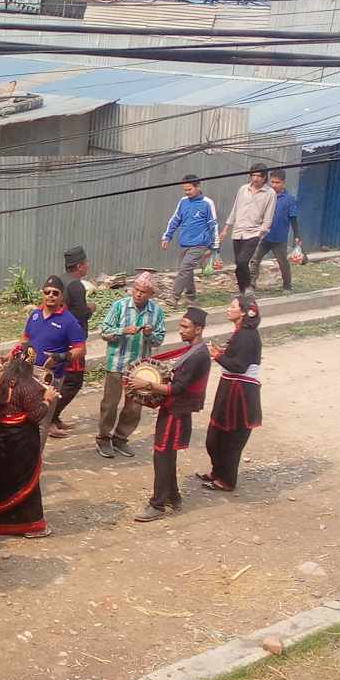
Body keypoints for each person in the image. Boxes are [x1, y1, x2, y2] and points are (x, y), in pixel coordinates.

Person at [131, 307, 213, 522]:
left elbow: (176, 389)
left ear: (198, 329)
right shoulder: (195, 351)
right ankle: (173, 497)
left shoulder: (197, 356)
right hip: (174, 410)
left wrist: (147, 384)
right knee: (167, 454)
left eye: (185, 327)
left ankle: (157, 505)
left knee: (162, 454)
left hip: (176, 412)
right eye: (181, 326)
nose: (180, 330)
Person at [0, 345, 58, 538]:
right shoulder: (28, 385)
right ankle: (29, 525)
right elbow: (35, 416)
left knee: (1, 478)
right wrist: (47, 400)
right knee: (24, 482)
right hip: (20, 440)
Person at [95, 273, 166, 460]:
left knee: (134, 406)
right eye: (137, 290)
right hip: (117, 363)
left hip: (140, 368)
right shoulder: (119, 306)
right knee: (110, 404)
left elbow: (159, 340)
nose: (139, 294)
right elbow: (104, 331)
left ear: (151, 294)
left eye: (144, 292)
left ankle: (120, 438)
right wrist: (122, 331)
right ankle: (103, 437)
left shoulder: (156, 312)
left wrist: (150, 334)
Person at [200, 296, 263, 492]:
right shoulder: (240, 333)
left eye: (232, 306)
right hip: (230, 389)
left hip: (240, 394)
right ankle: (217, 472)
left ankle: (227, 480)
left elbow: (239, 366)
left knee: (231, 438)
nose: (228, 309)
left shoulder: (247, 336)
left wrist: (216, 355)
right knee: (215, 436)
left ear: (243, 312)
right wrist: (221, 353)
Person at [22, 275, 88, 438]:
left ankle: (36, 460)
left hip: (51, 378)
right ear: (43, 294)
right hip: (28, 373)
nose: (50, 295)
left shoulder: (69, 321)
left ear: (61, 297)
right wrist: (13, 354)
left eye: (55, 293)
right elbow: (24, 339)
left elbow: (81, 350)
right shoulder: (35, 315)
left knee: (43, 422)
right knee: (25, 418)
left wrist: (60, 357)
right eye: (47, 292)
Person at [160, 175, 220, 309]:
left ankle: (174, 298)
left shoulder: (207, 203)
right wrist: (167, 236)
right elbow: (175, 219)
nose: (187, 192)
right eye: (185, 190)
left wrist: (214, 246)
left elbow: (213, 224)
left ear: (198, 187)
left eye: (189, 189)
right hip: (185, 243)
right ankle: (191, 298)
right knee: (187, 272)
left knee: (184, 269)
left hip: (200, 244)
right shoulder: (183, 202)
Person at [219, 163, 277, 294]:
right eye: (253, 175)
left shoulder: (270, 193)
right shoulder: (243, 189)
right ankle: (242, 290)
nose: (255, 179)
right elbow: (235, 209)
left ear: (264, 177)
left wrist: (261, 231)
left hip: (254, 232)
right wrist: (226, 229)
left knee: (243, 260)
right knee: (238, 264)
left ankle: (247, 287)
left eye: (259, 176)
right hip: (238, 232)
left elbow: (269, 215)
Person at [249, 170, 302, 293]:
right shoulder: (265, 195)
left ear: (283, 183)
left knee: (282, 262)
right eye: (272, 182)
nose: (274, 185)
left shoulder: (289, 199)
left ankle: (287, 285)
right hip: (264, 237)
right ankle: (251, 284)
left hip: (279, 239)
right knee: (255, 259)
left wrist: (297, 235)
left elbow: (293, 218)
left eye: (277, 182)